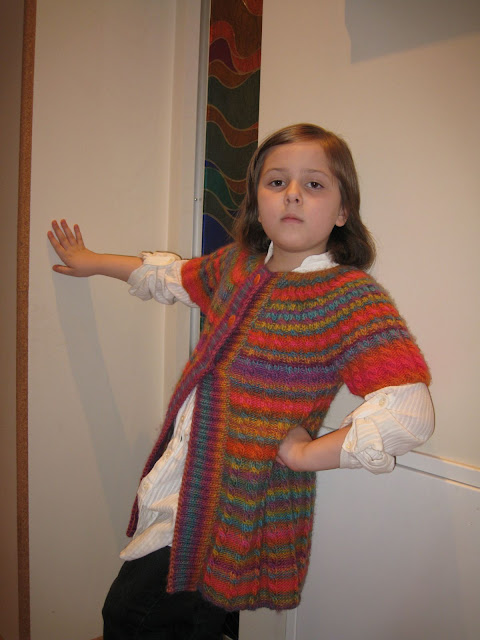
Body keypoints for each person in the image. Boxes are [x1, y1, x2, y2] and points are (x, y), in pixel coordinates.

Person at [47, 123, 434, 639]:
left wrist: (305, 455)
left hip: (231, 509)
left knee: (131, 618)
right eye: (276, 181)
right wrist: (92, 262)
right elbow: (173, 279)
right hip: (184, 481)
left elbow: (409, 410)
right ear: (257, 200)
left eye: (314, 184)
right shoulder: (237, 266)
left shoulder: (349, 298)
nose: (292, 194)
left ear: (343, 211)